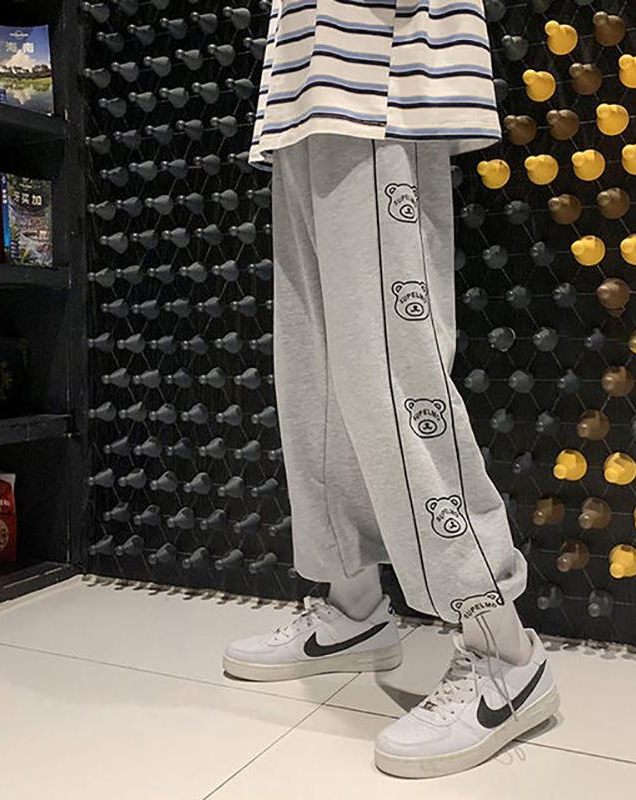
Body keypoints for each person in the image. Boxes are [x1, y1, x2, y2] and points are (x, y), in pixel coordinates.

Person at [223, 0, 559, 778]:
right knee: (318, 375)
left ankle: (505, 652)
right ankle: (353, 611)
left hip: (376, 68)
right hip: (307, 85)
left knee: (394, 379)